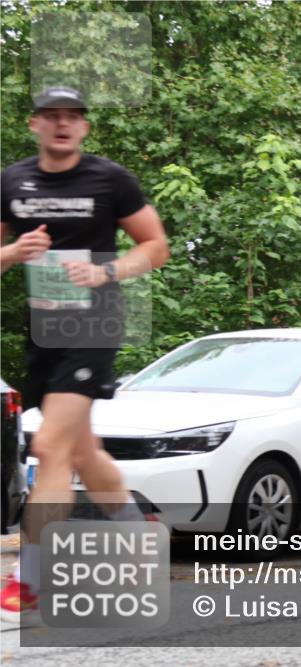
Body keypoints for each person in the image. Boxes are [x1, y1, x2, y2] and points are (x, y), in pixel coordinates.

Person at [0, 86, 169, 623]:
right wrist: (13, 251)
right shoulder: (12, 182)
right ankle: (135, 529)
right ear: (35, 125)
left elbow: (155, 246)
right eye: (52, 116)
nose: (62, 124)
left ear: (84, 127)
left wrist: (105, 270)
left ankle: (30, 576)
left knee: (48, 447)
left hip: (94, 320)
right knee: (79, 451)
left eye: (72, 116)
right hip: (43, 327)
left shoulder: (110, 179)